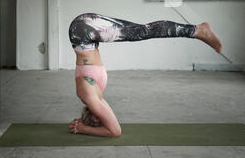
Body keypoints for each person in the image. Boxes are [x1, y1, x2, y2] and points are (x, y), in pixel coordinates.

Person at [68, 12, 222, 138]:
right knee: (142, 30)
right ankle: (197, 30)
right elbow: (110, 124)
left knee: (143, 31)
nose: (104, 118)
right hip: (84, 32)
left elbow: (114, 131)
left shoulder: (88, 96)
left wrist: (83, 129)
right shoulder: (96, 97)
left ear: (94, 118)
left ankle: (198, 30)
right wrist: (84, 125)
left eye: (99, 121)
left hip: (83, 31)